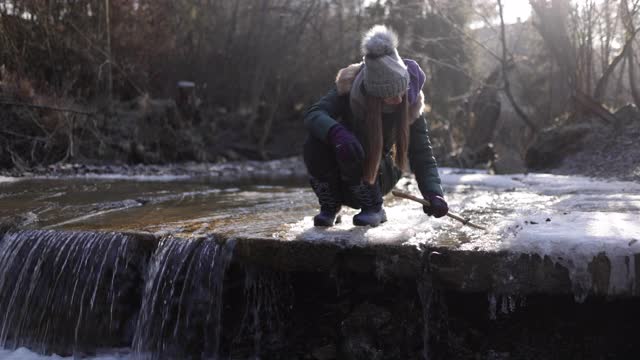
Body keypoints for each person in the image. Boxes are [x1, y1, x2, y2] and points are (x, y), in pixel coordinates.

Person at [303, 25, 449, 227]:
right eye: (390, 95)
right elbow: (313, 115)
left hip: (380, 175)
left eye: (402, 91)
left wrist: (434, 194)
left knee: (360, 146)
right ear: (373, 95)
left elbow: (422, 153)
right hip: (344, 176)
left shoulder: (411, 103)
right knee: (315, 140)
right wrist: (336, 133)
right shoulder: (350, 87)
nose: (399, 100)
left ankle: (373, 207)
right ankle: (331, 205)